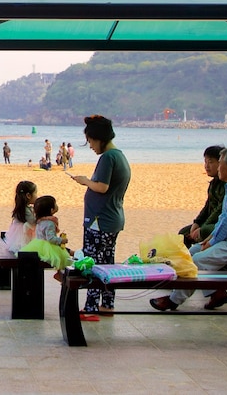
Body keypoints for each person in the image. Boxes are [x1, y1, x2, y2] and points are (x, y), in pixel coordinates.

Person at [151, 147, 227, 312]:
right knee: (192, 253)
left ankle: (173, 301)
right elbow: (223, 219)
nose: (217, 168)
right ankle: (216, 292)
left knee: (196, 262)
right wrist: (209, 239)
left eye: (220, 164)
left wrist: (212, 241)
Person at [70, 115, 131, 317]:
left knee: (93, 264)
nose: (90, 146)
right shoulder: (119, 156)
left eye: (90, 141)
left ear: (99, 138)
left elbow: (102, 187)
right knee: (107, 263)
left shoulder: (108, 158)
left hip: (100, 221)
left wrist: (85, 181)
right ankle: (107, 304)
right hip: (111, 219)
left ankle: (91, 308)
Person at [177, 145, 226, 247]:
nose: (206, 166)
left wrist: (203, 226)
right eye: (205, 162)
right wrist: (197, 222)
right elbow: (207, 206)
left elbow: (219, 210)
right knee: (183, 234)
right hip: (208, 223)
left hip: (220, 224)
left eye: (211, 162)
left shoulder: (226, 185)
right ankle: (187, 260)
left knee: (204, 231)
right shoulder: (213, 184)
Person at [18, 195, 72, 272]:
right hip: (48, 247)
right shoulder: (50, 223)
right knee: (62, 260)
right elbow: (50, 239)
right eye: (55, 204)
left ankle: (59, 275)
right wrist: (61, 240)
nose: (57, 205)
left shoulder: (40, 220)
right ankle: (60, 275)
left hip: (37, 244)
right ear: (52, 210)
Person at [4, 180, 37, 252]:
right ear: (28, 195)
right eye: (35, 193)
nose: (37, 196)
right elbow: (33, 221)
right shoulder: (25, 210)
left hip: (22, 233)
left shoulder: (24, 208)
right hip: (23, 235)